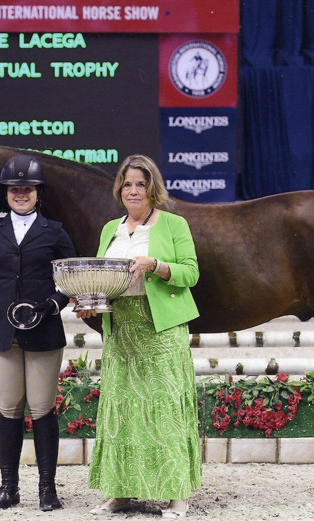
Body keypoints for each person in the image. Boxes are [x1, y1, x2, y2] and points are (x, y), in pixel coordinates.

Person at [77, 155, 201, 519]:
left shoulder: (174, 224)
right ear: (120, 189)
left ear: (152, 188)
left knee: (164, 409)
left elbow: (191, 273)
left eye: (140, 184)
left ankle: (177, 496)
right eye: (128, 184)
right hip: (121, 329)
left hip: (160, 327)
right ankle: (121, 493)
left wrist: (156, 266)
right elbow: (102, 278)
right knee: (123, 411)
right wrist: (87, 301)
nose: (134, 190)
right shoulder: (109, 229)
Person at [0, 154, 77, 512]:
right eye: (14, 188)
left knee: (42, 408)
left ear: (37, 192)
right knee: (9, 407)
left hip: (43, 329)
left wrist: (52, 305)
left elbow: (71, 280)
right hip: (1, 330)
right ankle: (8, 486)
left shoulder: (55, 231)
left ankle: (47, 489)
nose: (21, 194)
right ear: (7, 192)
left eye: (27, 188)